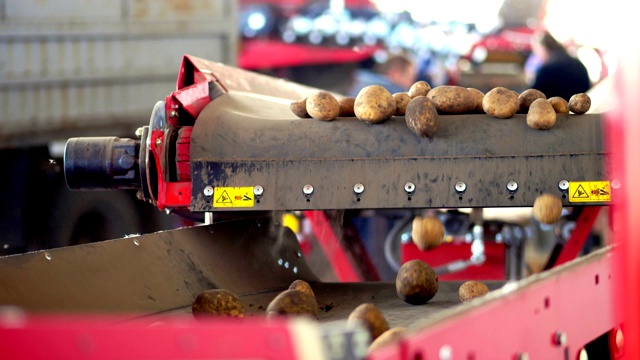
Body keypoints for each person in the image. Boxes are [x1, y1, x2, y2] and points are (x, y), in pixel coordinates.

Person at [528, 30, 591, 100]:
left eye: (536, 51)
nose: (537, 56)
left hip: (557, 110)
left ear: (543, 48)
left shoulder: (547, 70)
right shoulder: (577, 63)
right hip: (583, 107)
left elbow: (532, 97)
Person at [347, 53, 417, 97]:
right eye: (410, 78)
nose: (412, 83)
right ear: (395, 73)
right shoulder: (398, 95)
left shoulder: (358, 83)